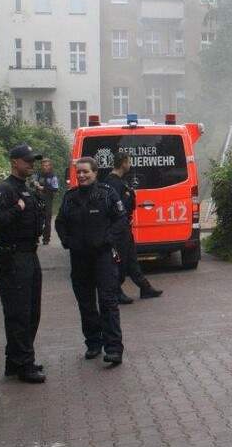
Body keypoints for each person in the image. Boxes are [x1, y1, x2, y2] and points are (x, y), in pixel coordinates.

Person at [55, 157, 129, 366]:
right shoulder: (70, 198)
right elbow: (60, 222)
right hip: (79, 260)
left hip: (103, 258)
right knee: (86, 304)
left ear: (95, 173)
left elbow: (121, 219)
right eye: (78, 172)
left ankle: (113, 348)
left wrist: (108, 238)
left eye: (86, 172)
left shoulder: (106, 194)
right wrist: (67, 241)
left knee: (108, 302)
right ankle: (93, 343)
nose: (81, 175)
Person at [0, 144, 47, 384]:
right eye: (27, 160)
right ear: (14, 163)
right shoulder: (5, 189)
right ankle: (24, 364)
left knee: (32, 311)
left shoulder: (26, 188)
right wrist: (16, 209)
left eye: (33, 161)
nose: (32, 164)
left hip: (29, 254)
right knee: (19, 312)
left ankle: (16, 359)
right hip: (13, 257)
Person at [103, 151, 163, 303]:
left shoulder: (118, 181)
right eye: (129, 162)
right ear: (123, 163)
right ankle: (116, 291)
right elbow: (116, 206)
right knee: (121, 261)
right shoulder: (113, 182)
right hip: (119, 228)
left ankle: (145, 287)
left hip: (124, 226)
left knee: (131, 260)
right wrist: (128, 196)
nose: (130, 165)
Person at [31, 157, 60, 245]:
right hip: (37, 199)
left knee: (47, 221)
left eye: (46, 165)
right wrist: (34, 183)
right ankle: (35, 238)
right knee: (36, 219)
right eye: (43, 165)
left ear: (49, 166)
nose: (45, 167)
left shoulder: (53, 176)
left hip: (48, 200)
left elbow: (55, 188)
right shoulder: (38, 174)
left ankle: (46, 239)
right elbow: (31, 183)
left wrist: (43, 188)